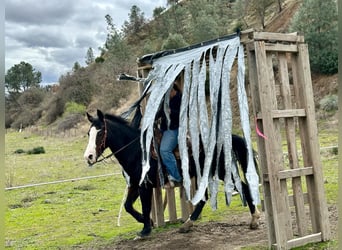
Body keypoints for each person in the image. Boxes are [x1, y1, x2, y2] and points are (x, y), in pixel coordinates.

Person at [159, 81, 182, 185]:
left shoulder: (181, 99)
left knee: (164, 150)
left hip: (175, 129)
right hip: (164, 128)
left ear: (172, 90)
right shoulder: (166, 100)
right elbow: (160, 113)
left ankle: (176, 177)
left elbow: (184, 114)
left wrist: (171, 112)